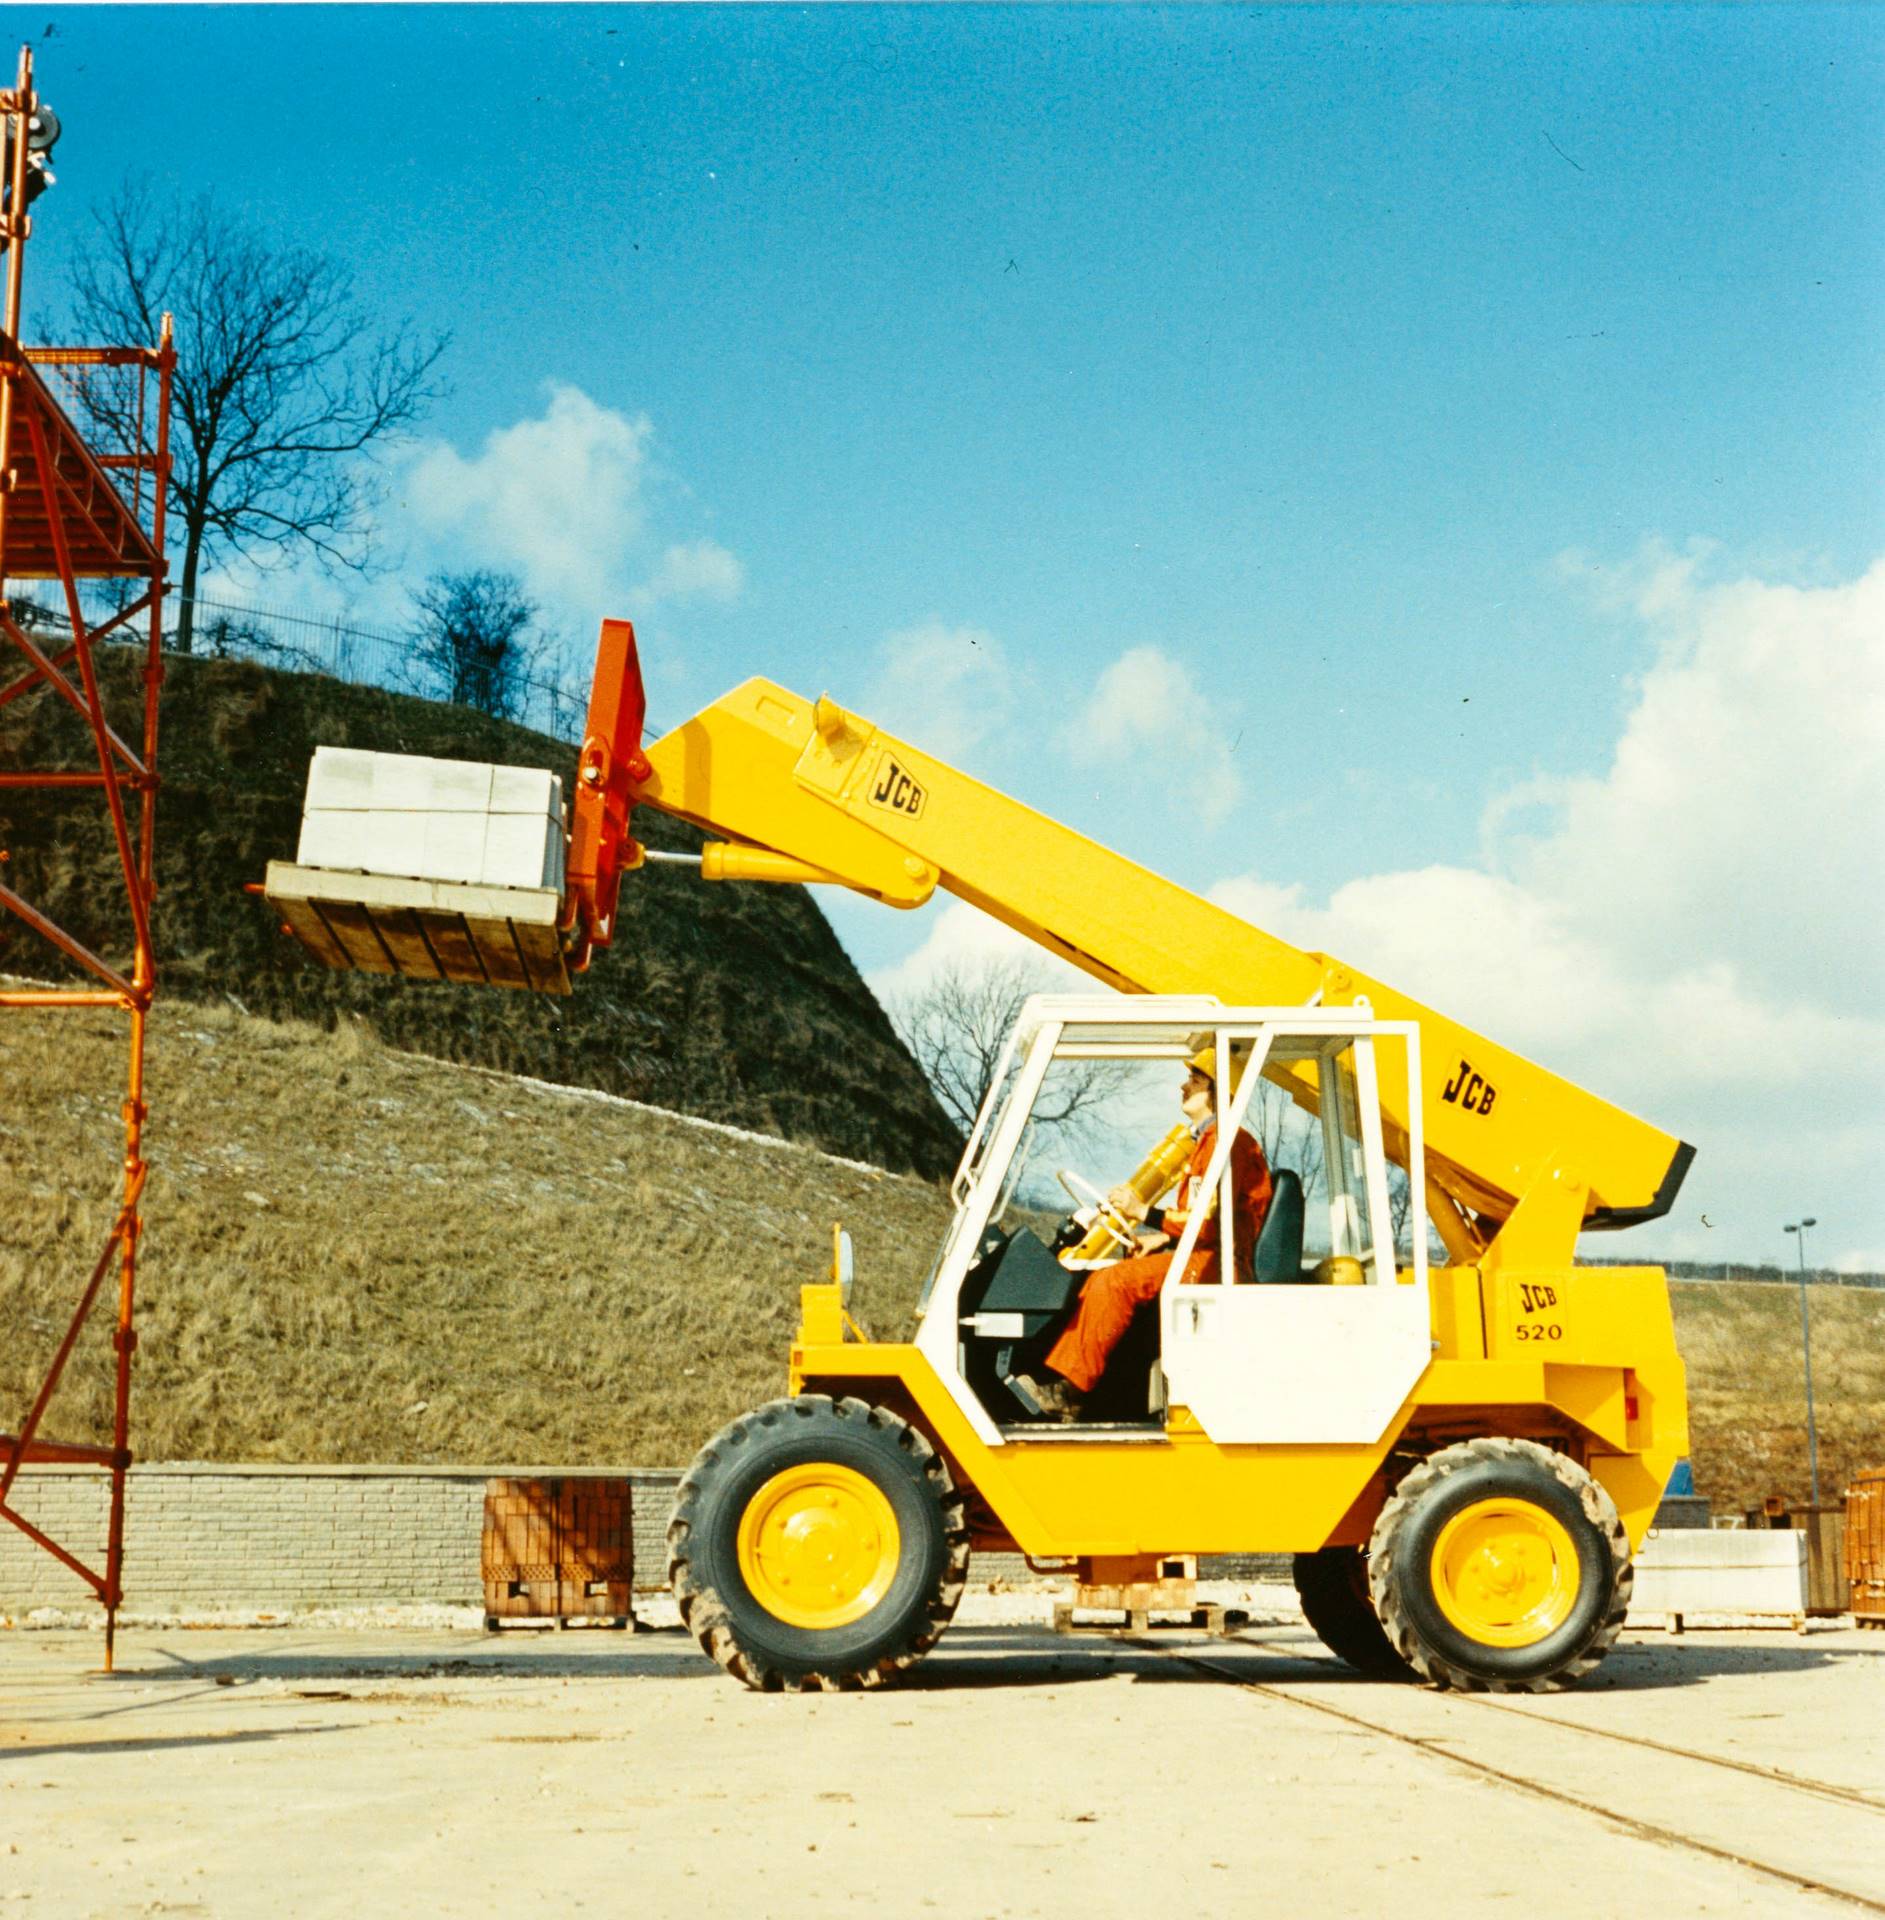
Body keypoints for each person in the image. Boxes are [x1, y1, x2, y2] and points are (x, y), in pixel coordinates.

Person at [1029, 1047, 1273, 1418]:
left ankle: (1071, 1391)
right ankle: (1094, 1392)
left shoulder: (1226, 1143)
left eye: (1195, 1081)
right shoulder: (1212, 1142)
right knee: (1108, 1277)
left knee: (1114, 1282)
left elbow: (1207, 1221)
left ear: (1218, 1092)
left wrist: (1143, 1211)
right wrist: (1163, 1238)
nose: (1184, 1087)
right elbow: (1212, 1219)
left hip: (1220, 1265)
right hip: (1209, 1255)